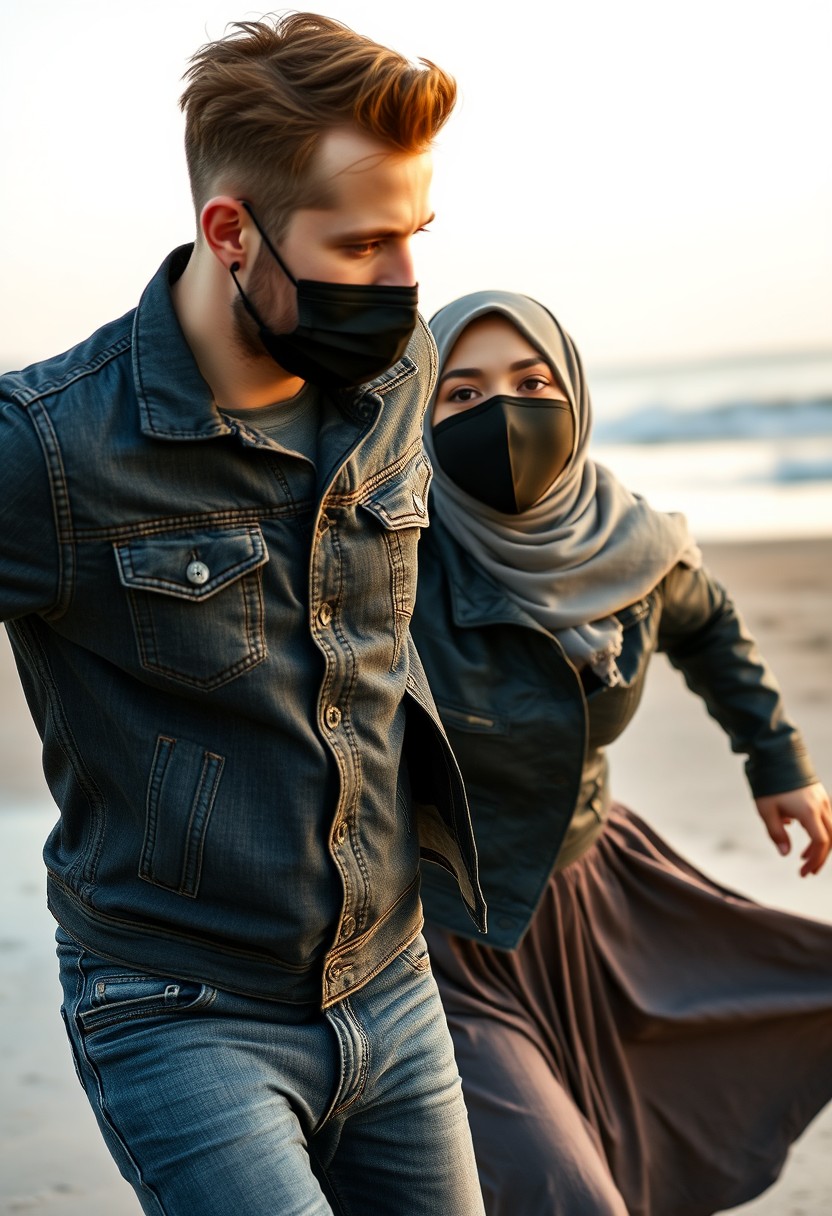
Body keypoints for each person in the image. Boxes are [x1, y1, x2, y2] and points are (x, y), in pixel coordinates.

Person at [0, 15, 487, 1216]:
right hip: (178, 1012)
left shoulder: (402, 368)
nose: (404, 284)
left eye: (414, 236)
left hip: (395, 982)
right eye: (363, 243)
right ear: (231, 230)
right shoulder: (47, 448)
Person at [411, 288, 832, 1216]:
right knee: (566, 1192)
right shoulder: (388, 552)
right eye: (463, 394)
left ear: (577, 394)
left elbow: (709, 624)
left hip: (592, 890)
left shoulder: (627, 542)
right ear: (418, 412)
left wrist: (777, 760)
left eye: (532, 381)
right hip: (439, 930)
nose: (506, 413)